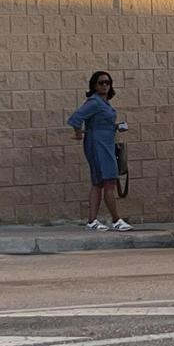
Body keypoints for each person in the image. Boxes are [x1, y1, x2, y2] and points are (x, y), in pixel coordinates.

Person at [67, 71, 131, 231]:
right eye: (101, 82)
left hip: (105, 142)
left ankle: (92, 220)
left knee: (99, 182)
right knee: (108, 180)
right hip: (98, 144)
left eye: (107, 82)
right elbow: (76, 117)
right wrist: (78, 133)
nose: (105, 85)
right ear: (94, 85)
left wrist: (116, 127)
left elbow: (99, 123)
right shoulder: (94, 102)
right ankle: (116, 219)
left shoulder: (103, 103)